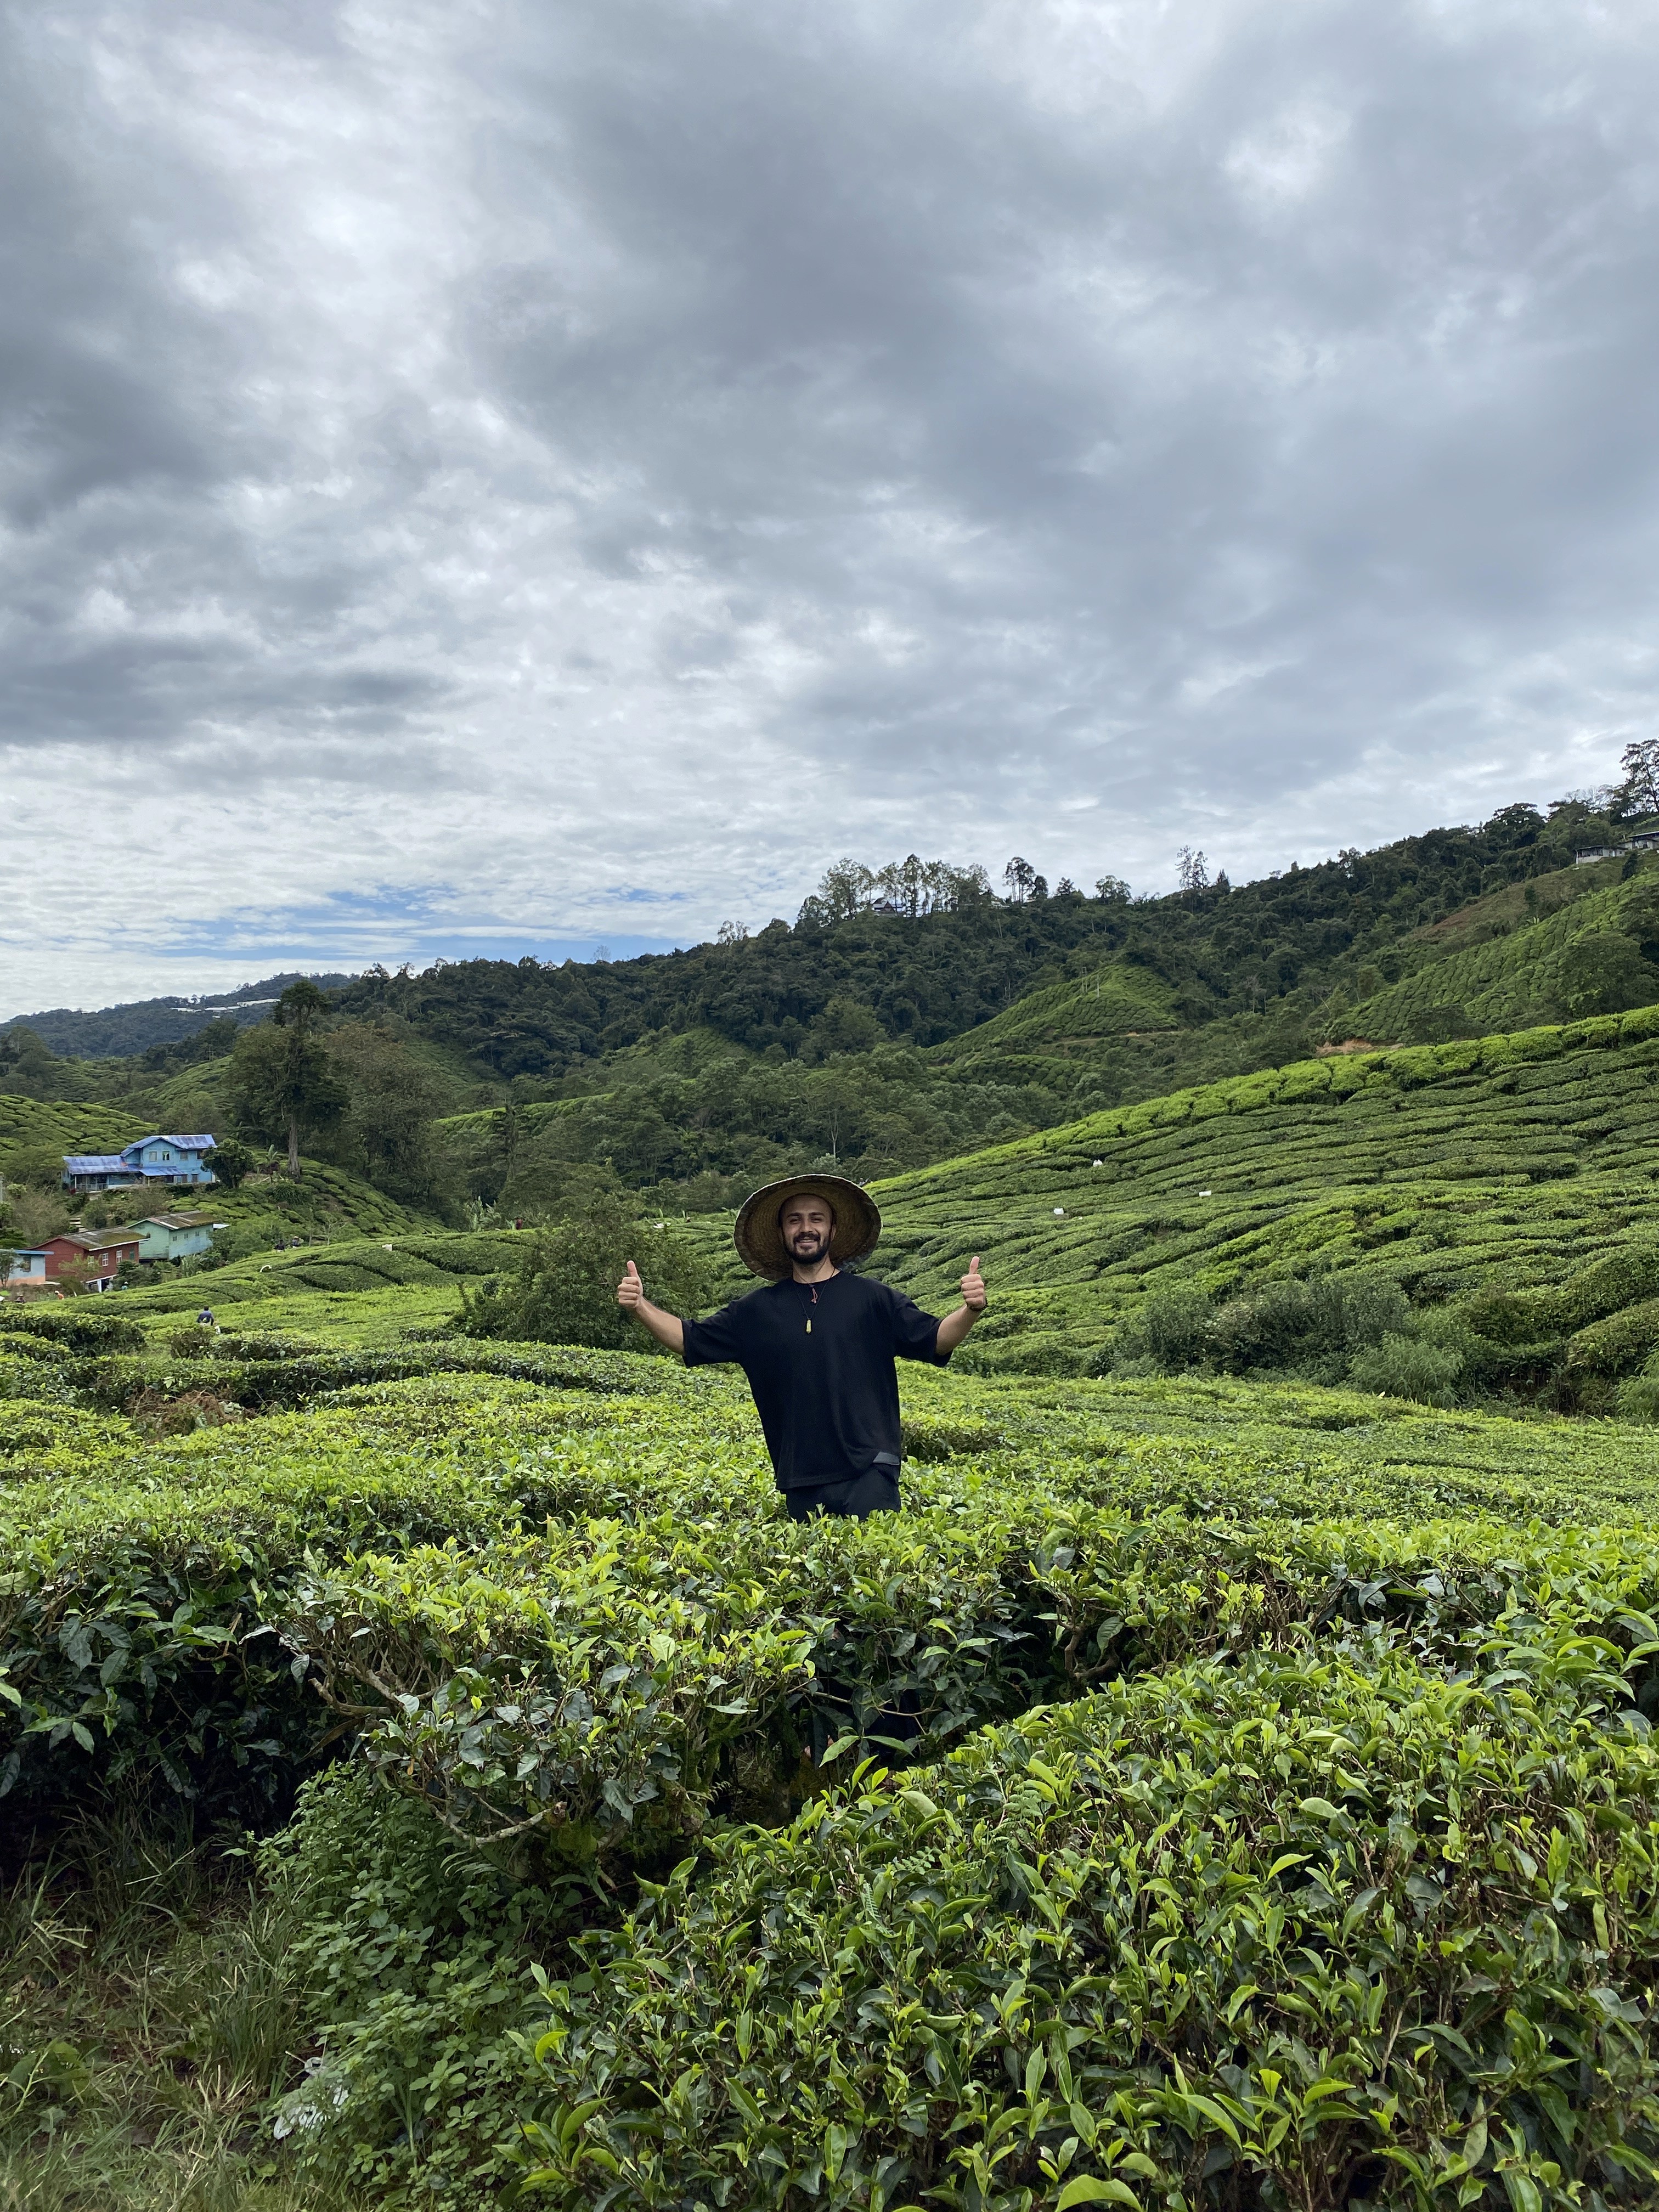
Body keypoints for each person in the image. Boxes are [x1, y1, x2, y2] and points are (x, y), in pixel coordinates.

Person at [617, 1173, 986, 1520]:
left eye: (816, 1219)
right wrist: (641, 1307)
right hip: (801, 1478)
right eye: (794, 1220)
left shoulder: (875, 1300)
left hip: (871, 1470)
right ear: (782, 1232)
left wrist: (970, 1309)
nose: (806, 1228)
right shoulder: (756, 1312)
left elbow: (937, 1339)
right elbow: (688, 1339)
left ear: (832, 1229)